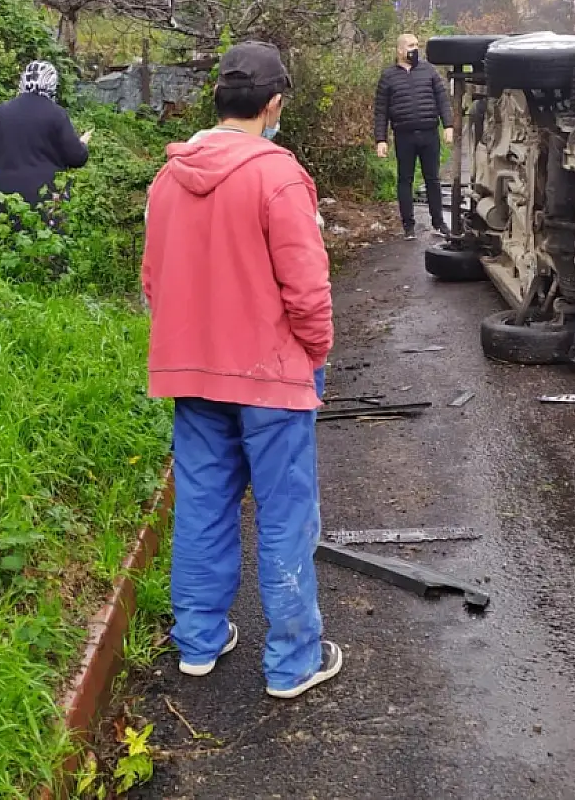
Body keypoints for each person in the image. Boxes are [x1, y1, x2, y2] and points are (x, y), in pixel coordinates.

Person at [141, 41, 342, 699]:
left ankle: (197, 640)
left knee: (201, 503)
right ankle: (292, 661)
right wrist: (316, 352)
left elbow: (153, 281)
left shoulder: (168, 179)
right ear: (274, 104)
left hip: (191, 371)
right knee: (285, 512)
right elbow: (307, 289)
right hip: (269, 376)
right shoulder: (278, 176)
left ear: (219, 101)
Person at [0, 60, 93, 207]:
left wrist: (5, 166)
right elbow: (77, 157)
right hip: (46, 196)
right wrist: (82, 144)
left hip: (5, 195)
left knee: (5, 229)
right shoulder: (56, 114)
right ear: (52, 83)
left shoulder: (3, 111)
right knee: (46, 230)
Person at [374, 33, 455, 240]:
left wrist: (448, 125)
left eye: (417, 45)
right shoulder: (389, 76)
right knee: (405, 180)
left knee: (432, 180)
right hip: (404, 136)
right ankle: (408, 226)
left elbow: (442, 99)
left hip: (429, 134)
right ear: (400, 50)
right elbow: (381, 110)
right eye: (411, 45)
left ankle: (438, 223)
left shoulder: (428, 71)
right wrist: (380, 139)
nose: (415, 49)